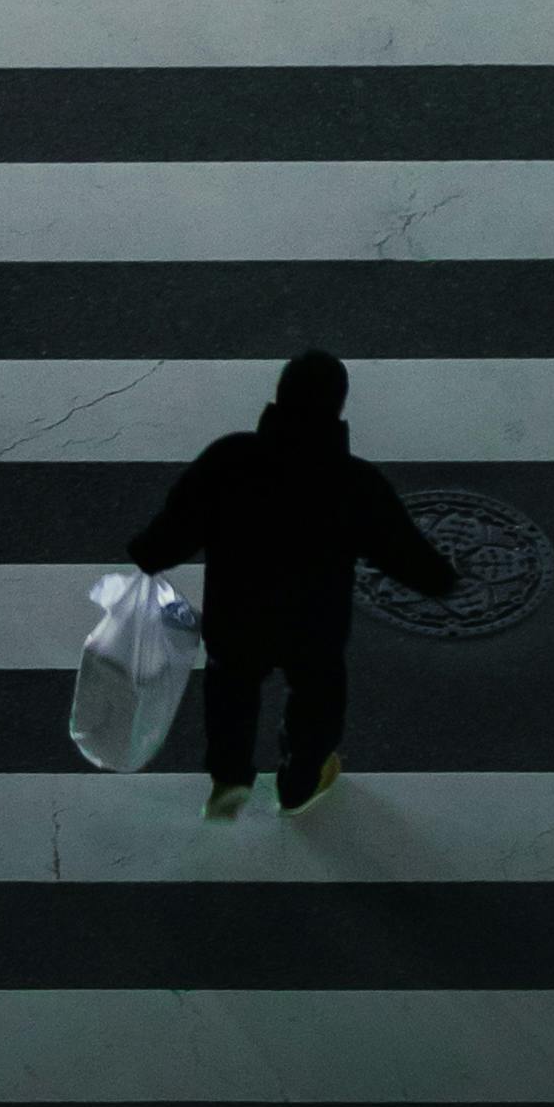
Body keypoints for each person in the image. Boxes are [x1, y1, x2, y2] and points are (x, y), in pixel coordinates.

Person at [127, 348, 456, 821]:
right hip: (314, 622)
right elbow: (400, 550)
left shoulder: (231, 458)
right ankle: (299, 782)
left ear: (279, 398)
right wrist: (442, 580)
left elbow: (180, 524)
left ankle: (230, 778)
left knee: (231, 689)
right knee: (317, 700)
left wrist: (148, 552)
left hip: (238, 612)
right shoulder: (353, 482)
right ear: (338, 408)